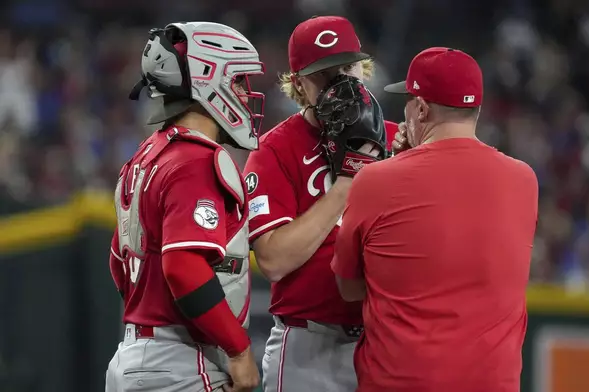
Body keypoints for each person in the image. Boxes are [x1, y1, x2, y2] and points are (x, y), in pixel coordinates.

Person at [331, 47, 539, 392]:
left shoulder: (377, 179)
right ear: (476, 109)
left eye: (409, 102)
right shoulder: (524, 179)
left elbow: (349, 287)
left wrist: (399, 166)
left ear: (422, 109)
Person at [105, 22, 265, 392]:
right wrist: (239, 351)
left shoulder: (146, 156)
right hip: (175, 361)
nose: (246, 92)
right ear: (211, 79)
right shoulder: (195, 159)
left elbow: (119, 264)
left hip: (135, 356)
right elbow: (182, 267)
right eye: (239, 80)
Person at [242, 15, 386, 392]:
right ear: (299, 85)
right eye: (324, 75)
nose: (340, 84)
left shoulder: (396, 141)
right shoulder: (273, 150)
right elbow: (273, 261)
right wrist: (346, 184)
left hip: (385, 340)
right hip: (310, 347)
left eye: (347, 70)